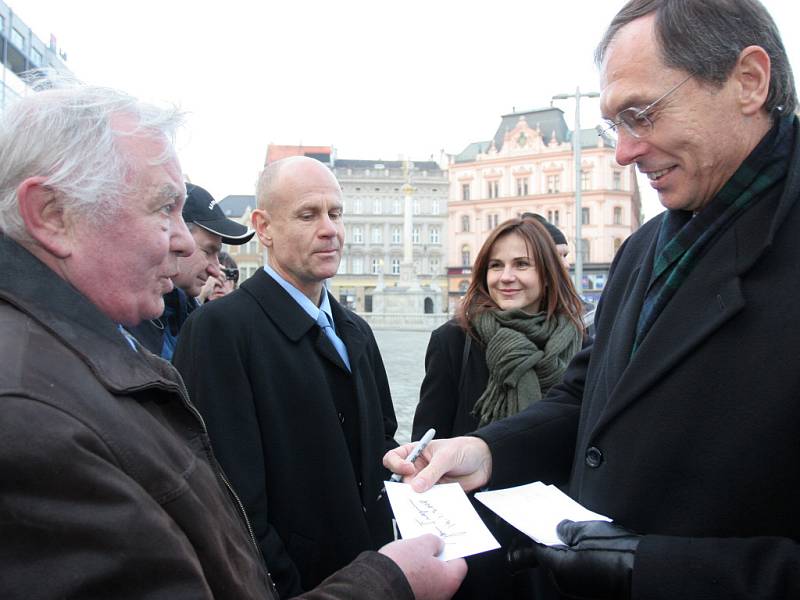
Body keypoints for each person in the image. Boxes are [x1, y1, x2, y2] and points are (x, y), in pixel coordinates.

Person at [385, 0, 800, 598]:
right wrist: (484, 449)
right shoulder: (646, 247)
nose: (623, 153)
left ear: (748, 81)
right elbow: (588, 397)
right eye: (615, 124)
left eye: (644, 114)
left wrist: (652, 570)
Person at [0, 75, 465, 600]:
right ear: (52, 215)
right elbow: (238, 503)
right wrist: (378, 584)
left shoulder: (354, 328)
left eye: (336, 214)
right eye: (163, 209)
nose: (186, 245)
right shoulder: (31, 408)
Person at [173, 155, 402, 597]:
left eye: (335, 213)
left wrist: (400, 461)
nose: (330, 229)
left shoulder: (356, 329)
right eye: (308, 214)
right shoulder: (220, 330)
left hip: (370, 574)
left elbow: (381, 438)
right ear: (264, 227)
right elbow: (228, 499)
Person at [411, 216, 583, 599]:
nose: (507, 276)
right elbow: (428, 443)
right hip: (477, 542)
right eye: (496, 265)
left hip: (559, 536)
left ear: (548, 271)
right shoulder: (455, 339)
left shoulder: (582, 340)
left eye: (522, 264)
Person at [126, 182, 254, 358]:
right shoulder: (132, 319)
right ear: (174, 238)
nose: (216, 271)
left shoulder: (186, 316)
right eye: (208, 251)